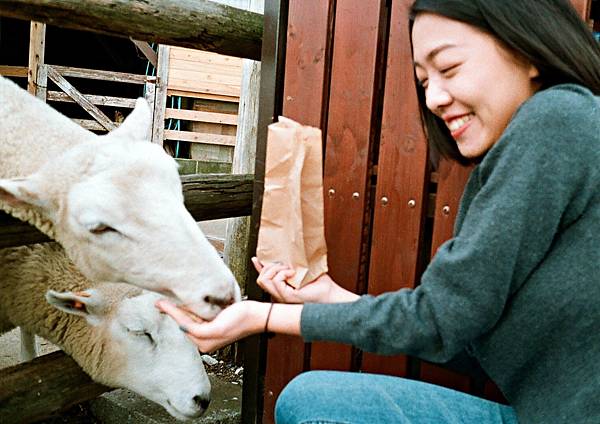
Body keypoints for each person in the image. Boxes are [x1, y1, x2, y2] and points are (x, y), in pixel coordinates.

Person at [157, 0, 600, 422]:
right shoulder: (557, 132)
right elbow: (463, 337)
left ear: (529, 51)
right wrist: (330, 298)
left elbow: (441, 319)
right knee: (311, 399)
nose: (433, 99)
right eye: (425, 82)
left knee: (310, 402)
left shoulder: (555, 121)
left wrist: (264, 316)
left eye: (449, 68)